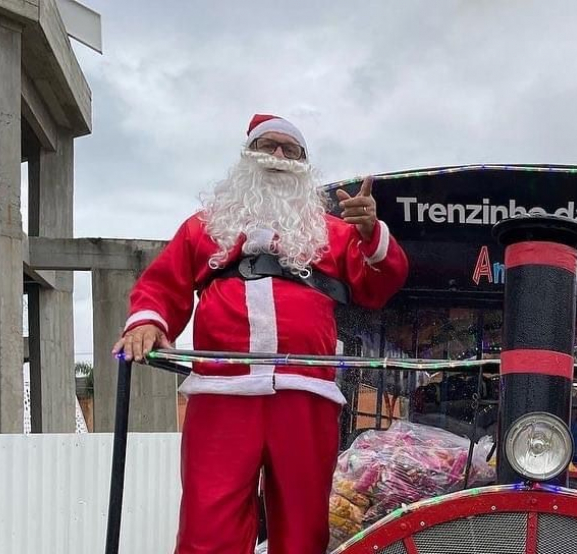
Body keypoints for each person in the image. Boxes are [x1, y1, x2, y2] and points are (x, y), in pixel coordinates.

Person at [112, 114, 409, 554]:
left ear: (305, 165)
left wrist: (371, 235)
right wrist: (148, 322)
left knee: (304, 527)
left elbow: (381, 284)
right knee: (208, 526)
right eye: (267, 145)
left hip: (305, 391)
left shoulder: (333, 232)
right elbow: (162, 285)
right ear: (246, 157)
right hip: (222, 390)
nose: (277, 156)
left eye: (290, 150)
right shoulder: (206, 226)